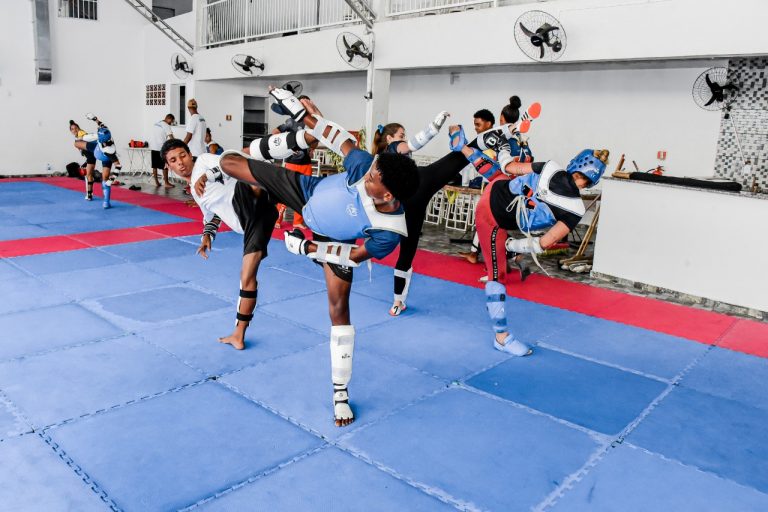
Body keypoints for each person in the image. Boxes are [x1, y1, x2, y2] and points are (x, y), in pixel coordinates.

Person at [216, 86, 420, 427]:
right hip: (305, 192)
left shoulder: (389, 232)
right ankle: (277, 145)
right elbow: (338, 137)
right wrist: (301, 115)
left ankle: (340, 391)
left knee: (339, 310)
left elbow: (354, 255)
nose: (368, 171)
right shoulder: (365, 166)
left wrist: (309, 248)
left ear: (386, 194)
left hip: (333, 237)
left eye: (373, 177)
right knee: (229, 162)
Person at [452, 125, 609, 356]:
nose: (580, 183)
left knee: (498, 175)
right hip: (491, 219)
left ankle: (462, 147)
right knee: (498, 276)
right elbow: (542, 244)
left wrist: (503, 146)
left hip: (497, 187)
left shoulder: (550, 167)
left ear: (574, 164)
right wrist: (511, 246)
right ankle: (501, 337)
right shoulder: (576, 209)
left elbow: (508, 167)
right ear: (592, 181)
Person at [162, 138, 278, 351]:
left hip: (246, 198)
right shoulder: (195, 190)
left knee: (240, 160)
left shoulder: (204, 161)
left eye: (183, 156)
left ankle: (284, 144)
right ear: (168, 166)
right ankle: (238, 335)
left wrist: (208, 175)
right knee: (247, 278)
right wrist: (207, 236)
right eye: (173, 160)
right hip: (252, 223)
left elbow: (230, 164)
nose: (180, 162)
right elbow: (211, 215)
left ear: (190, 155)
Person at [459, 96, 535, 268]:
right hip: (517, 185)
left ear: (500, 120)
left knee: (488, 221)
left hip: (500, 185)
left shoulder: (500, 140)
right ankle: (492, 255)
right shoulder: (522, 141)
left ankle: (511, 255)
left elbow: (493, 164)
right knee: (490, 221)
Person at [271, 96, 317, 229]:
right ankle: (277, 219)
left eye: (308, 103)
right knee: (287, 190)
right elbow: (275, 132)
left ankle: (297, 221)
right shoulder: (291, 121)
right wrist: (286, 146)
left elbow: (315, 140)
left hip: (306, 163)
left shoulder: (312, 123)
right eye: (302, 104)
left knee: (303, 192)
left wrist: (312, 147)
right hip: (292, 162)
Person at [74, 113, 122, 208]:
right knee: (76, 143)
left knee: (105, 180)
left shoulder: (110, 151)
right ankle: (89, 156)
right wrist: (94, 118)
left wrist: (111, 180)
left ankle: (106, 202)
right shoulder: (106, 131)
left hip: (105, 158)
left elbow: (118, 166)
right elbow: (100, 123)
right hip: (96, 149)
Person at [70, 120, 97, 198]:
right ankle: (89, 194)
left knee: (75, 143)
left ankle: (89, 194)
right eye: (72, 129)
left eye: (75, 128)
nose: (74, 130)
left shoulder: (81, 133)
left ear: (78, 128)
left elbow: (85, 137)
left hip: (92, 153)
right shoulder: (77, 136)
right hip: (90, 157)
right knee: (88, 175)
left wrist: (79, 141)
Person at [149, 114, 175, 188]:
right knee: (165, 166)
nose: (171, 123)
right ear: (169, 119)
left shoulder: (156, 124)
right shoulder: (166, 125)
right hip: (161, 148)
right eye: (171, 121)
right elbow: (171, 137)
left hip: (153, 147)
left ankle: (156, 182)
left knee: (155, 166)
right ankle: (166, 183)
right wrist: (176, 144)